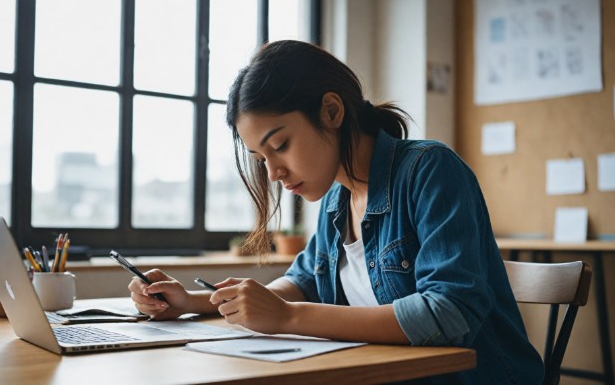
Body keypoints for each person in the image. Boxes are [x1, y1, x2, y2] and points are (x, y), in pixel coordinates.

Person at [128, 40, 544, 384]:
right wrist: (191, 301)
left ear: (331, 111)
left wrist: (289, 317)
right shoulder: (335, 197)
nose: (273, 172)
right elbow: (303, 282)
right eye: (260, 157)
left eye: (281, 145)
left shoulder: (429, 170)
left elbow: (449, 313)